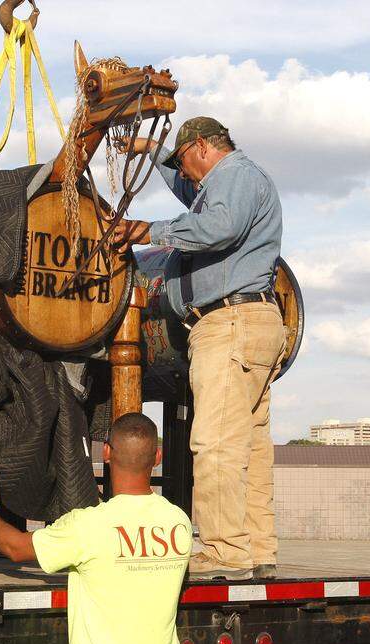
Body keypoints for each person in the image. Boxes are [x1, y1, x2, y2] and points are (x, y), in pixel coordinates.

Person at [112, 116, 286, 580]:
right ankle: (257, 549)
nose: (184, 175)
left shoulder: (236, 176)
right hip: (250, 322)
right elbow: (196, 199)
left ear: (204, 148)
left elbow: (217, 227)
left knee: (215, 445)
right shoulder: (228, 180)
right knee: (248, 446)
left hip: (229, 322)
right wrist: (153, 149)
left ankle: (224, 552)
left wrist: (149, 231)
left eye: (185, 162)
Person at [0, 413, 192, 644]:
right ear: (158, 457)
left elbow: (16, 548)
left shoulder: (87, 526)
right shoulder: (179, 522)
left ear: (106, 452)